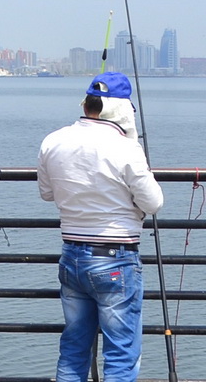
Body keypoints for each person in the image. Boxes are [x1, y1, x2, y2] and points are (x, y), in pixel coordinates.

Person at [38, 71, 163, 382]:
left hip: (72, 256)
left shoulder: (53, 140)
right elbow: (154, 202)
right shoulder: (125, 148)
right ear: (122, 110)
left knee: (74, 347)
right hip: (116, 258)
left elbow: (46, 193)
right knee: (120, 352)